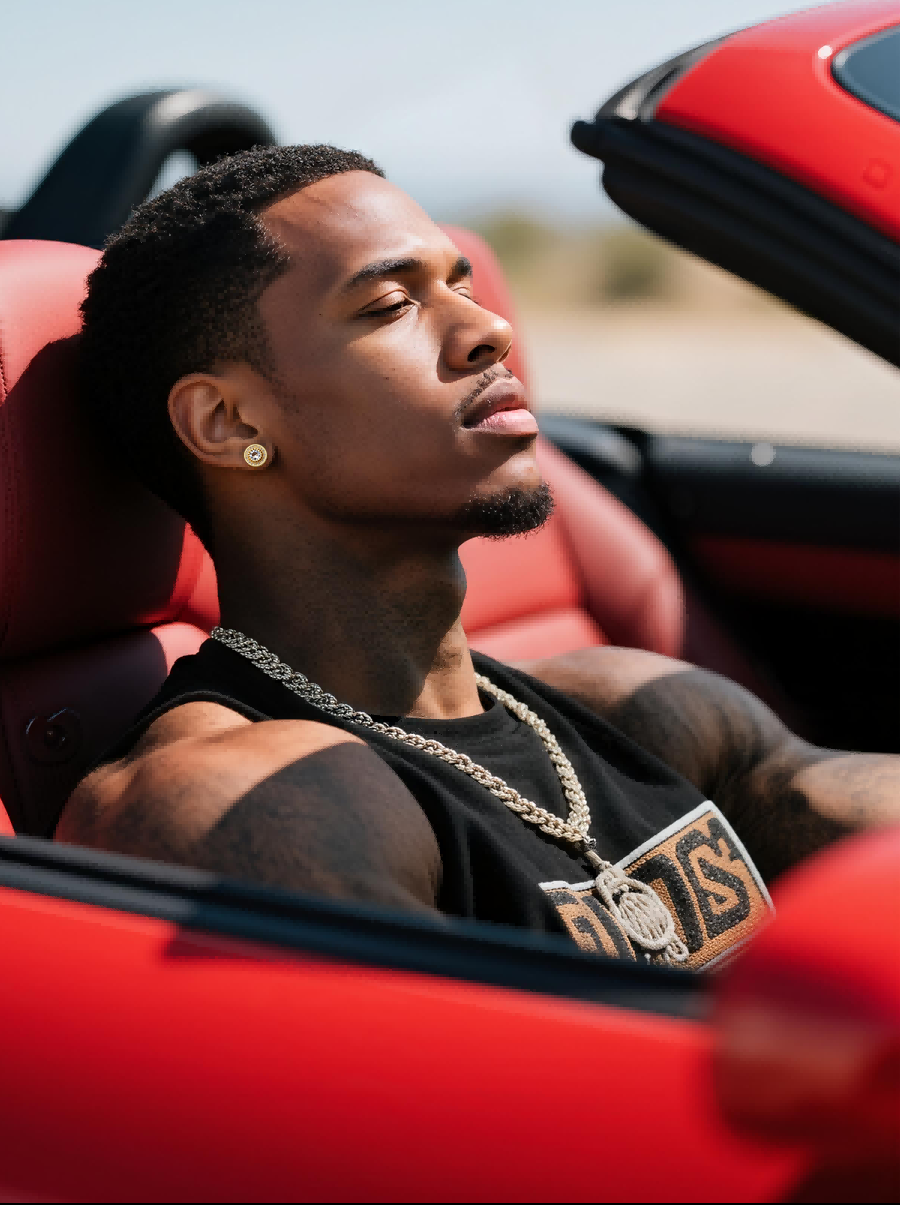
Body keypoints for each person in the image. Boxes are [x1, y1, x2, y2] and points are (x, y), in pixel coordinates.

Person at [57, 144, 899, 968]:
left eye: (460, 283)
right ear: (230, 424)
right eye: (391, 306)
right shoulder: (238, 799)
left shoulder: (632, 709)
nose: (490, 329)